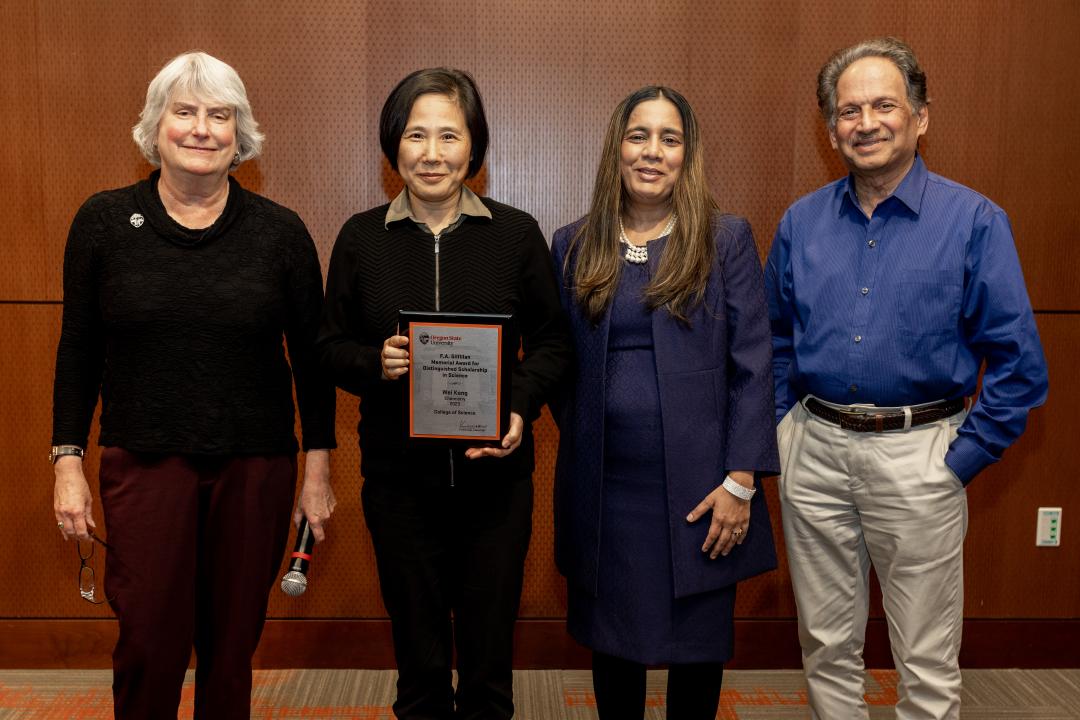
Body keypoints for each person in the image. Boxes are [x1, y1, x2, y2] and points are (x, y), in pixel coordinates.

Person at [766, 37, 1049, 719]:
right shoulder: (800, 223)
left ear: (921, 116)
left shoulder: (974, 220)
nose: (865, 122)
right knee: (826, 644)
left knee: (924, 656)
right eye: (849, 110)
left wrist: (959, 461)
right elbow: (774, 338)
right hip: (815, 451)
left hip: (921, 455)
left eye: (884, 105)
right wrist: (783, 428)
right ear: (830, 129)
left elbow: (1019, 362)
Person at [51, 51, 337, 719]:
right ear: (156, 128)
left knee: (231, 647)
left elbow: (313, 360)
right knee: (150, 641)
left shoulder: (281, 234)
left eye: (220, 115)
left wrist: (316, 473)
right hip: (144, 463)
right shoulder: (102, 223)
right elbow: (78, 350)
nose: (202, 129)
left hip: (256, 467)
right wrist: (67, 461)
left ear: (241, 135)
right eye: (185, 112)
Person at [318, 67, 572, 720]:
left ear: (474, 146)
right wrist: (377, 362)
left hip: (497, 482)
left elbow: (553, 343)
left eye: (449, 136)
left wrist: (518, 404)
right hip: (399, 483)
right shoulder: (361, 239)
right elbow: (327, 347)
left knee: (489, 664)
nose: (432, 153)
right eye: (415, 136)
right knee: (420, 659)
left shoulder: (515, 235)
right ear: (393, 145)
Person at [550, 86, 780, 720]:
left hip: (704, 490)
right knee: (612, 648)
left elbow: (754, 364)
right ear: (616, 149)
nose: (652, 152)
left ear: (688, 154)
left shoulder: (725, 239)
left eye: (669, 139)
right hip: (608, 490)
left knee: (697, 652)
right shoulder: (572, 245)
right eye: (639, 135)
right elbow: (560, 368)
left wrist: (740, 481)